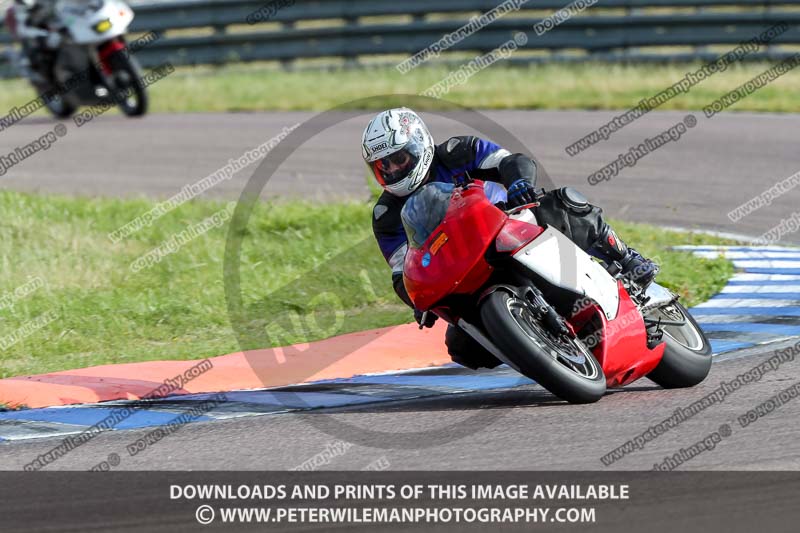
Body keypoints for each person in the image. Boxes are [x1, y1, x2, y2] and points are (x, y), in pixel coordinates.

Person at [363, 107, 658, 369]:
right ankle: (537, 348)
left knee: (559, 205)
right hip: (460, 269)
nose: (392, 170)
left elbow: (511, 161)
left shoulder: (458, 152)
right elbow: (402, 271)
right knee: (462, 347)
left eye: (398, 159)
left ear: (419, 144)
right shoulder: (386, 216)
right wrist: (417, 300)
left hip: (509, 225)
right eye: (383, 166)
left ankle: (626, 258)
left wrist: (518, 183)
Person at [8, 0, 62, 84]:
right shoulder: (17, 9)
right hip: (32, 34)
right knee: (29, 54)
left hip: (46, 31)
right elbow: (23, 28)